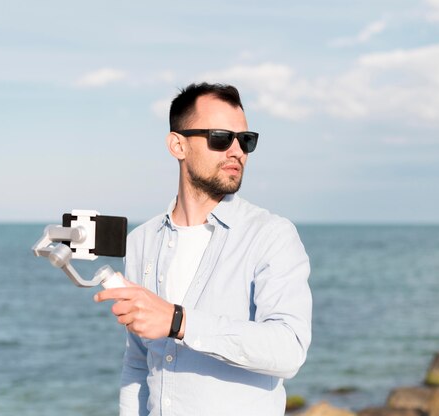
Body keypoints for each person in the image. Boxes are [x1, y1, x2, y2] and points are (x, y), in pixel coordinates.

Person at [94, 82, 312, 416]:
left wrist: (179, 321)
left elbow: (289, 349)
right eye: (221, 137)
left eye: (246, 140)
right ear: (177, 145)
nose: (237, 151)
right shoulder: (142, 241)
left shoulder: (272, 235)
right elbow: (139, 363)